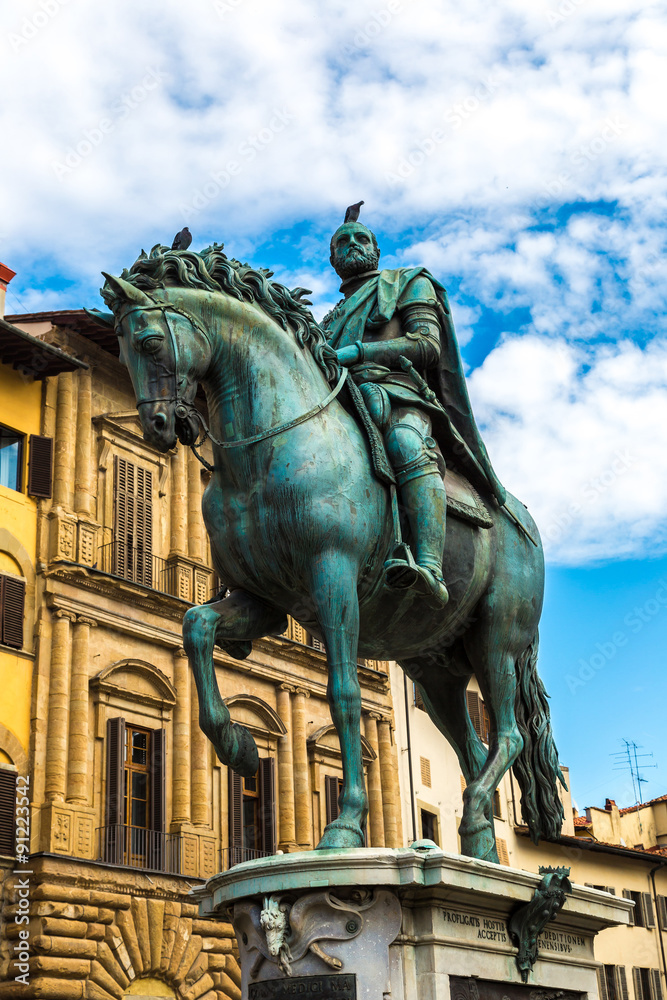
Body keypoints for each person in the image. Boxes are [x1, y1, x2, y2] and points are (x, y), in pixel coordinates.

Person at [322, 207, 506, 607]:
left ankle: (430, 567)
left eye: (360, 239)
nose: (352, 245)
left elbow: (426, 344)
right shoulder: (329, 320)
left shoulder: (408, 282)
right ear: (333, 259)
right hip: (344, 399)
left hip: (398, 394)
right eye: (343, 242)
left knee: (406, 444)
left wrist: (359, 352)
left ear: (376, 250)